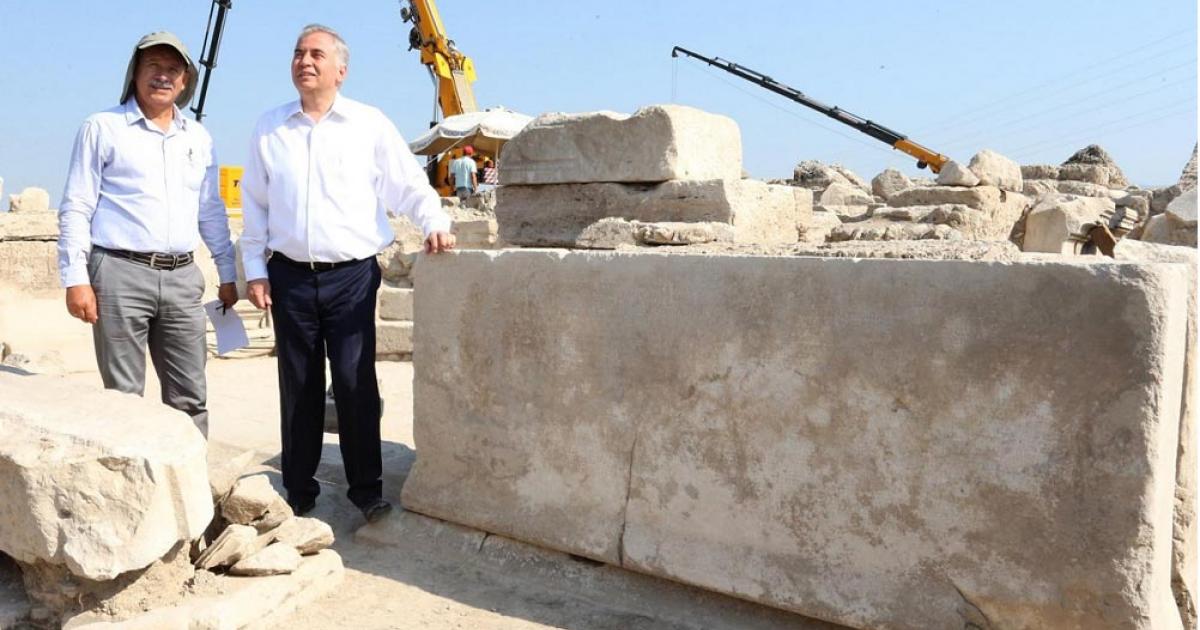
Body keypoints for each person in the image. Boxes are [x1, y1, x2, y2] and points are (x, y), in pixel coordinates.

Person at [240, 24, 455, 523]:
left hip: (352, 277)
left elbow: (408, 186)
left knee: (357, 382)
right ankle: (299, 488)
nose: (304, 61)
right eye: (297, 53)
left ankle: (366, 491)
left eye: (316, 54)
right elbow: (254, 206)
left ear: (341, 69)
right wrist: (255, 270)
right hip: (289, 276)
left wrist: (436, 223)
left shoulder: (368, 124)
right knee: (298, 385)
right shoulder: (269, 128)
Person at [58, 31, 238, 436]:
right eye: (153, 66)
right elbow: (77, 205)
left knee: (190, 395)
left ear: (186, 80)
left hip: (182, 278)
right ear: (135, 73)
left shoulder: (198, 138)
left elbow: (210, 210)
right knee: (123, 398)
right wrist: (75, 279)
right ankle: (133, 496)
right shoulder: (102, 127)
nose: (163, 76)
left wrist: (228, 273)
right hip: (119, 274)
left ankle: (189, 492)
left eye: (173, 69)